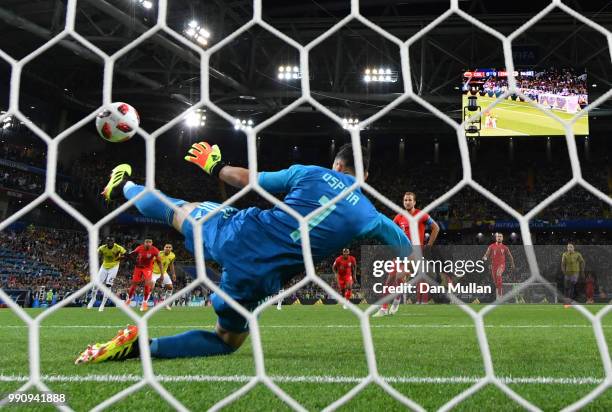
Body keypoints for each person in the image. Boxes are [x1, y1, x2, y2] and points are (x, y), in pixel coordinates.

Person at [75, 142, 411, 364]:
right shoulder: (371, 217)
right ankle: (143, 349)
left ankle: (125, 185)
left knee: (177, 210)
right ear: (364, 177)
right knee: (225, 341)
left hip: (237, 233)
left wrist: (216, 167)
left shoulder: (311, 172)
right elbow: (408, 251)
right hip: (259, 278)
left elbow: (249, 180)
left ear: (337, 164)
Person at [374, 191, 439, 316]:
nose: (407, 202)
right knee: (390, 279)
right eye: (405, 200)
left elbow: (436, 227)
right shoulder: (399, 217)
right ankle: (384, 308)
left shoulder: (422, 215)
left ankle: (395, 300)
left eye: (410, 200)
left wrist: (429, 246)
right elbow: (392, 233)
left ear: (414, 202)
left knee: (398, 276)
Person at [88, 237, 126, 312]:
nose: (110, 242)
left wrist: (119, 258)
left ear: (113, 241)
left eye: (111, 241)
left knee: (108, 285)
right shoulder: (102, 248)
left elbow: (125, 254)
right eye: (109, 241)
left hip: (114, 267)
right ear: (107, 242)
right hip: (104, 266)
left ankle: (102, 304)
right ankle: (93, 299)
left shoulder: (118, 248)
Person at [125, 239, 163, 312]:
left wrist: (162, 274)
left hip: (148, 268)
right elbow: (132, 254)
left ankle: (144, 302)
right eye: (146, 242)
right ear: (144, 243)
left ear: (152, 243)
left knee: (147, 284)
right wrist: (128, 256)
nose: (148, 243)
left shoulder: (155, 250)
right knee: (134, 284)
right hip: (138, 268)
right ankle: (129, 299)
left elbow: (159, 262)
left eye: (149, 242)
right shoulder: (139, 248)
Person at [482, 232, 515, 300]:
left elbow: (510, 256)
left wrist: (512, 264)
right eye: (498, 236)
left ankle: (500, 296)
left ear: (502, 238)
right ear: (496, 238)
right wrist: (484, 257)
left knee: (498, 274)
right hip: (493, 266)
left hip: (501, 265)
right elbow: (486, 254)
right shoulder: (491, 246)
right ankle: (498, 296)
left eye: (500, 236)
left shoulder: (505, 247)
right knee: (496, 282)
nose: (499, 237)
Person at [151, 243, 176, 310]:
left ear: (171, 249)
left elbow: (171, 265)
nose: (168, 248)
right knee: (151, 286)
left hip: (164, 273)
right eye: (166, 247)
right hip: (154, 272)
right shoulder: (158, 254)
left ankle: (166, 303)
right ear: (164, 248)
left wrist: (173, 274)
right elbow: (151, 262)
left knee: (170, 287)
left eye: (169, 247)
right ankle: (144, 303)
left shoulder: (172, 255)